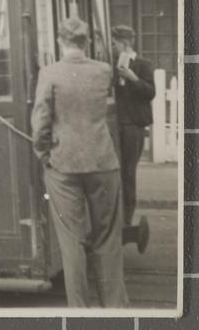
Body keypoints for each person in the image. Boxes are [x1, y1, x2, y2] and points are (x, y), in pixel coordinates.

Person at [31, 17, 129, 308]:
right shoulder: (104, 71)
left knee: (72, 242)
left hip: (64, 166)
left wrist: (45, 154)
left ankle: (80, 312)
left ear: (60, 42)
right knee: (108, 238)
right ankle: (116, 308)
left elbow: (40, 123)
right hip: (103, 163)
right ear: (87, 43)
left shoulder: (49, 74)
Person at [110, 24, 155, 250]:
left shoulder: (143, 65)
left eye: (116, 43)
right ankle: (118, 222)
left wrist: (132, 77)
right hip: (117, 127)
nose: (113, 47)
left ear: (125, 43)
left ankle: (126, 221)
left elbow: (150, 92)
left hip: (134, 128)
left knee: (128, 175)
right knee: (116, 175)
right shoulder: (112, 66)